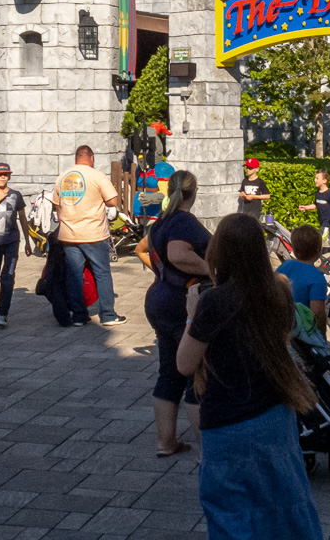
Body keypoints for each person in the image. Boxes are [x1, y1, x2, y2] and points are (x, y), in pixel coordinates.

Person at [177, 213, 322, 540]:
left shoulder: (213, 301)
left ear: (219, 252)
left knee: (232, 513)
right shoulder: (279, 293)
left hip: (227, 422)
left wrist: (191, 316)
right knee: (286, 503)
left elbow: (185, 364)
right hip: (275, 414)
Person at [140, 170, 211, 457]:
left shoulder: (161, 222)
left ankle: (165, 442)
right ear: (194, 191)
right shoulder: (183, 221)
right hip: (182, 304)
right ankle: (208, 450)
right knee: (197, 374)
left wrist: (161, 274)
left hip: (159, 300)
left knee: (169, 372)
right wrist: (212, 271)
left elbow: (142, 250)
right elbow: (178, 254)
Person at [51, 145, 127, 326]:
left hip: (69, 235)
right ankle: (108, 315)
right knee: (102, 274)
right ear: (91, 158)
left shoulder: (63, 177)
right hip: (94, 234)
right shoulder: (97, 176)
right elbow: (112, 201)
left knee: (74, 276)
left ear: (76, 158)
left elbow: (57, 205)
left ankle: (78, 316)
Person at [0, 162, 32, 327]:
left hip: (11, 242)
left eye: (6, 174)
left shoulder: (16, 195)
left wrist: (28, 241)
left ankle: (2, 313)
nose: (3, 177)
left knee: (8, 278)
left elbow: (23, 219)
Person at [276, 225, 328, 326]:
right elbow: (318, 314)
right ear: (319, 250)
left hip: (281, 326)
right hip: (302, 332)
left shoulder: (285, 265)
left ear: (294, 250)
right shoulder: (316, 277)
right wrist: (322, 338)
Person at [298, 169, 330, 249]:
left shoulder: (329, 194)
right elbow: (316, 205)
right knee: (326, 241)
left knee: (321, 241)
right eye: (315, 178)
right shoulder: (317, 194)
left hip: (327, 222)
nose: (315, 180)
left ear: (324, 181)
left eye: (317, 178)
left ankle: (329, 253)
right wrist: (306, 207)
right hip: (321, 221)